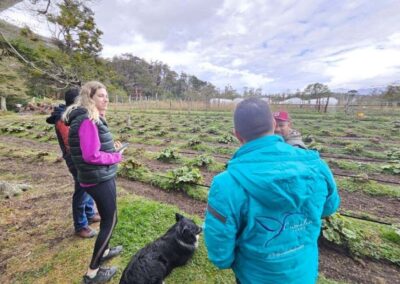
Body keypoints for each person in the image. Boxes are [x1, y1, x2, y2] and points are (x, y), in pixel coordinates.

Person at [204, 98, 340, 284]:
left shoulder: (226, 183)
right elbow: (329, 207)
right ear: (274, 124)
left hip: (255, 276)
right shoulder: (316, 165)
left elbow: (219, 245)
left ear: (237, 135)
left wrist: (226, 261)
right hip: (303, 272)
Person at [63, 81, 125, 283]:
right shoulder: (88, 120)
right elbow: (91, 155)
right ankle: (92, 273)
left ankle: (104, 250)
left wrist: (112, 149)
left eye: (107, 95)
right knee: (111, 220)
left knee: (109, 218)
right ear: (89, 98)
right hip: (98, 177)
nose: (106, 99)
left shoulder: (89, 118)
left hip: (98, 176)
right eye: (100, 95)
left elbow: (94, 147)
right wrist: (115, 157)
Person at [46, 88, 100, 238]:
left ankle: (89, 213)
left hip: (80, 156)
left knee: (88, 186)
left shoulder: (71, 114)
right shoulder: (63, 119)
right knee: (82, 189)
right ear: (77, 101)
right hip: (75, 158)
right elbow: (70, 143)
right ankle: (80, 225)